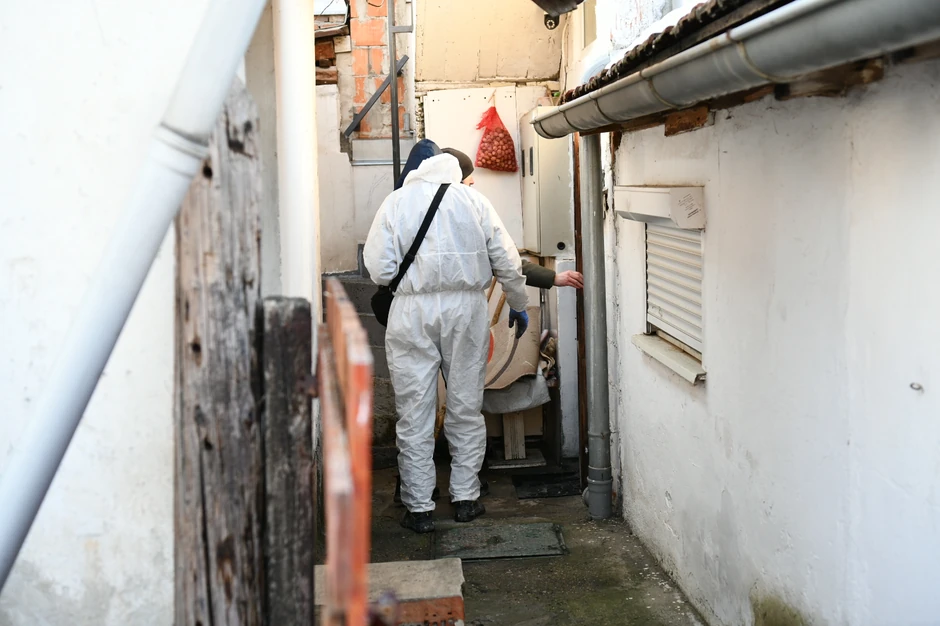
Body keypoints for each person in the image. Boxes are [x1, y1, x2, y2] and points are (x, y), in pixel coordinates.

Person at [364, 148, 529, 534]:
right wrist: (517, 304)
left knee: (415, 410)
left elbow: (378, 267)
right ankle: (466, 499)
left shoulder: (396, 202)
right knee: (465, 406)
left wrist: (408, 280)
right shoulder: (474, 201)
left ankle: (419, 508)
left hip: (411, 312)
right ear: (454, 170)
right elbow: (507, 260)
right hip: (466, 309)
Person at [441, 148, 584, 290]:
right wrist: (552, 279)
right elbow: (504, 259)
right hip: (461, 307)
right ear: (457, 178)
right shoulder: (471, 212)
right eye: (468, 175)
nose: (472, 180)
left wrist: (550, 278)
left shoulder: (421, 208)